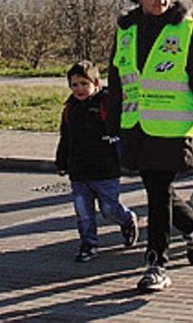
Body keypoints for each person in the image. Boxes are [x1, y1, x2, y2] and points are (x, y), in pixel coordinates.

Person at [106, 0, 193, 293]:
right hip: (137, 127)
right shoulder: (126, 31)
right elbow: (116, 79)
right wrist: (112, 124)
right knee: (158, 190)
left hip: (174, 128)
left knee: (157, 191)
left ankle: (156, 264)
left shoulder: (188, 29)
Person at [56, 60, 139, 263]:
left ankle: (127, 220)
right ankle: (88, 244)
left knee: (109, 209)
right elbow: (65, 137)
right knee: (83, 213)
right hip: (79, 171)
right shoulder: (70, 109)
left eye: (84, 84)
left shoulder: (106, 104)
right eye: (75, 85)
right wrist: (61, 161)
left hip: (105, 169)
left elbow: (119, 132)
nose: (79, 89)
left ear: (96, 83)